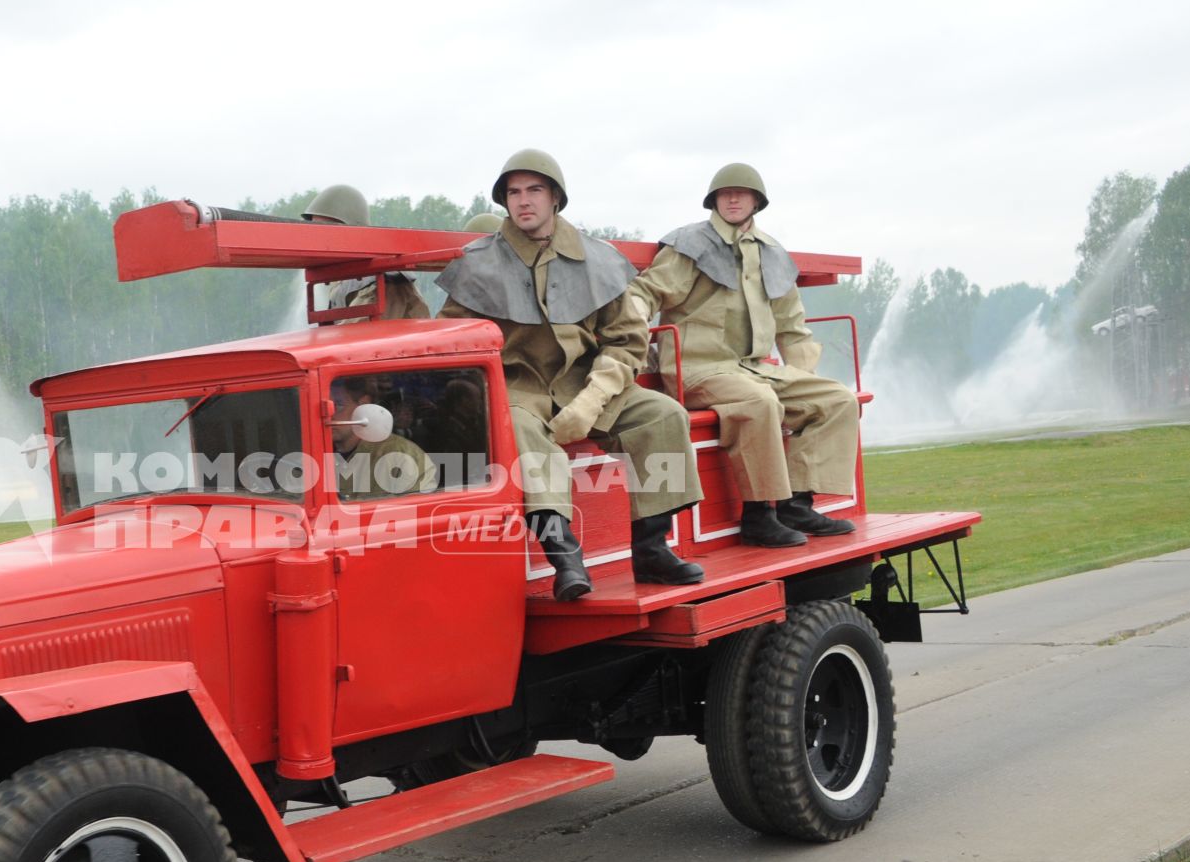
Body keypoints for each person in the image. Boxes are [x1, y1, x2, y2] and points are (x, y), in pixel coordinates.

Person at [435, 150, 703, 599]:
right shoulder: (478, 263)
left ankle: (652, 550)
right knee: (518, 429)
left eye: (534, 190)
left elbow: (627, 341)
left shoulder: (598, 260)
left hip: (589, 381)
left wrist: (592, 399)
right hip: (517, 386)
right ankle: (565, 558)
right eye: (514, 192)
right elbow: (456, 338)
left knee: (663, 416)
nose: (523, 201)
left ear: (555, 197)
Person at [624, 164, 859, 546]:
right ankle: (758, 514)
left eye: (742, 193)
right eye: (725, 193)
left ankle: (797, 505)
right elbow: (646, 292)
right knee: (759, 401)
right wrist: (630, 329)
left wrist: (803, 383)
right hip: (697, 369)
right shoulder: (689, 245)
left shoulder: (772, 253)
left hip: (751, 369)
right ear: (714, 200)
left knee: (836, 400)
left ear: (757, 201)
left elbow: (792, 326)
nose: (733, 199)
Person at [302, 184, 430, 320]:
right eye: (314, 229)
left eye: (325, 229)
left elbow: (357, 335)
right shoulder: (348, 277)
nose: (318, 238)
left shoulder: (385, 280)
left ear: (352, 231)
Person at [329, 379, 436, 498]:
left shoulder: (402, 456)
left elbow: (417, 511)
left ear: (363, 405)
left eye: (338, 405)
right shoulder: (315, 451)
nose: (328, 416)